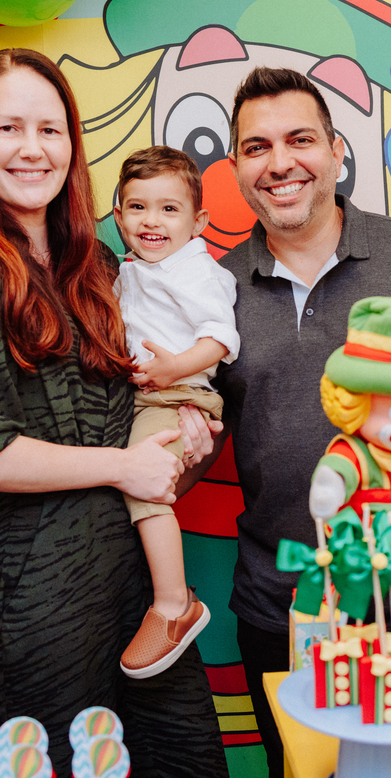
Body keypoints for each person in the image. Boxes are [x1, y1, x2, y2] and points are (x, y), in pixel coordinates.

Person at [0, 48, 227, 777]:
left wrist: (185, 442)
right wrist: (125, 463)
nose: (32, 149)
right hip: (36, 597)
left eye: (50, 130)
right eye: (8, 128)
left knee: (186, 761)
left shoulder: (103, 269)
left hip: (136, 594)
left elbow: (138, 430)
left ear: (72, 145)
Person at [193, 66, 391, 777]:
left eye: (300, 140)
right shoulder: (215, 288)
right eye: (256, 147)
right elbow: (194, 418)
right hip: (283, 605)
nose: (280, 163)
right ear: (237, 167)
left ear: (337, 152)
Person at [112, 146, 239, 678]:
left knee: (142, 485)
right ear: (117, 217)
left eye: (169, 209)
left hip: (177, 396)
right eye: (137, 208)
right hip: (147, 396)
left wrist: (174, 370)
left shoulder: (195, 269)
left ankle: (173, 605)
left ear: (198, 222)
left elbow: (221, 338)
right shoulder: (134, 270)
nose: (152, 221)